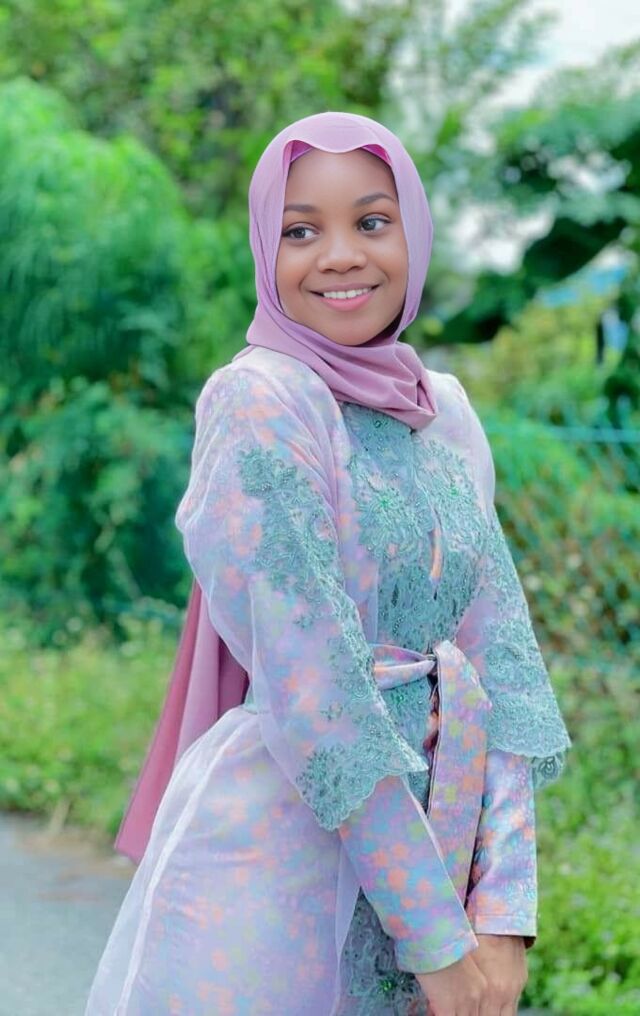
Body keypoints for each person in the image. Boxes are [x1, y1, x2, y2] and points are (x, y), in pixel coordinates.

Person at [85, 112, 571, 1016]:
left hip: (446, 857)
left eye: (372, 221)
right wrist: (436, 940)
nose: (340, 255)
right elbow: (317, 692)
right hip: (280, 874)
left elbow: (500, 658)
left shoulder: (444, 412)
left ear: (413, 233)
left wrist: (502, 916)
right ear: (265, 252)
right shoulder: (262, 399)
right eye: (300, 231)